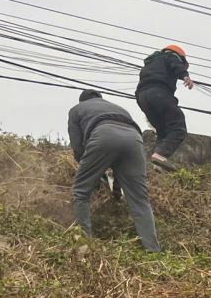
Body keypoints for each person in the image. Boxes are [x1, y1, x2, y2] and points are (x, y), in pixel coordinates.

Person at [66, 91, 161, 252]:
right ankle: (153, 251)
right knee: (140, 200)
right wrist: (117, 189)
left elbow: (78, 148)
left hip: (103, 135)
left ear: (83, 100)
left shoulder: (77, 109)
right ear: (100, 98)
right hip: (134, 140)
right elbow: (120, 164)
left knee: (80, 192)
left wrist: (93, 176)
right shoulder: (119, 108)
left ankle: (83, 245)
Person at [136, 45, 193, 169]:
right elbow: (176, 65)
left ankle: (155, 164)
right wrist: (185, 76)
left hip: (142, 98)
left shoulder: (149, 65)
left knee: (163, 131)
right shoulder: (171, 56)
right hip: (159, 94)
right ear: (179, 56)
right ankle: (160, 154)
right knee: (178, 127)